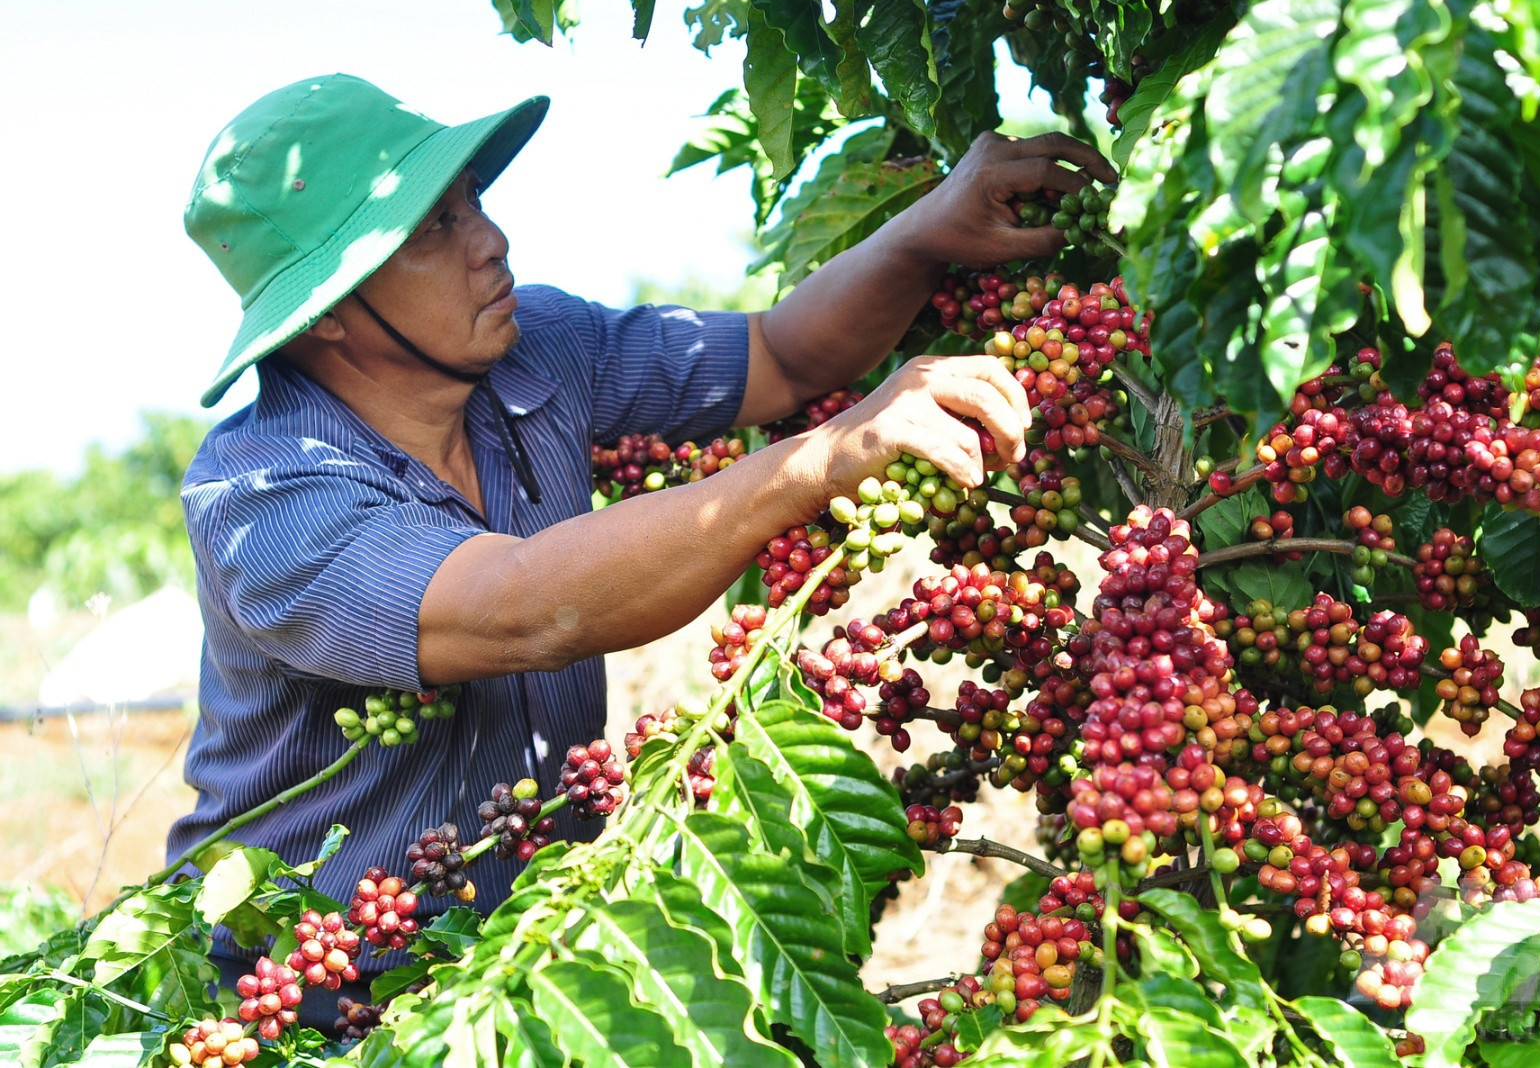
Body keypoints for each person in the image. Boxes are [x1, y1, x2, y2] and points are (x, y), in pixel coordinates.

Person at [170, 73, 1113, 1021]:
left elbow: (783, 355)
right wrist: (818, 461)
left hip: (527, 958)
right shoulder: (262, 499)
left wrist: (924, 231)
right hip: (315, 1010)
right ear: (329, 310)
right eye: (431, 231)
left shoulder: (535, 348)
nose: (489, 240)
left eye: (472, 206)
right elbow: (519, 607)